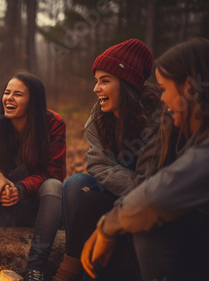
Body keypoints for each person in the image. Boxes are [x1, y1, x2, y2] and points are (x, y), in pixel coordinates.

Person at [81, 37, 209, 281]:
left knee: (149, 229)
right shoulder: (195, 140)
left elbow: (157, 194)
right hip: (141, 200)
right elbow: (98, 164)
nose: (161, 99)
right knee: (79, 185)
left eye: (163, 89)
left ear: (189, 90)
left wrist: (108, 227)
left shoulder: (168, 127)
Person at [53, 39, 162, 281]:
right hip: (119, 193)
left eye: (105, 81)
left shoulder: (156, 119)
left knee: (90, 198)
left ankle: (81, 272)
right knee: (75, 184)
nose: (96, 89)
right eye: (96, 81)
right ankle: (72, 266)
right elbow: (96, 165)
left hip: (149, 203)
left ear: (127, 84)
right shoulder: (98, 118)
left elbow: (148, 185)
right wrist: (121, 179)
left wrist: (119, 179)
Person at [0, 72, 66, 281]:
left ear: (33, 101)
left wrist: (21, 188)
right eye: (7, 93)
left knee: (54, 186)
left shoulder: (54, 124)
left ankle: (36, 268)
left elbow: (55, 172)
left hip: (32, 208)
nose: (9, 98)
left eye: (18, 94)